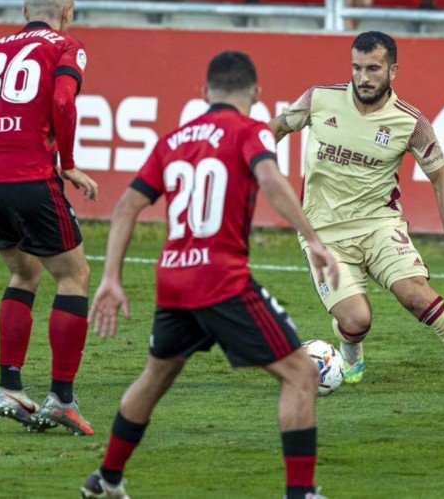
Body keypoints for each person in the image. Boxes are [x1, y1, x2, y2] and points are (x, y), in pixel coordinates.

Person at [80, 51, 339, 499]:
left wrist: (110, 278)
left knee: (155, 377)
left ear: (204, 93)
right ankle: (301, 493)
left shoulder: (173, 140)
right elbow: (269, 178)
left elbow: (125, 207)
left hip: (173, 280)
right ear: (256, 94)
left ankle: (106, 478)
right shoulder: (251, 130)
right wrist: (313, 238)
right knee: (300, 374)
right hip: (221, 280)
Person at [268, 31, 444, 397]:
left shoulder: (411, 123)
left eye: (373, 68)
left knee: (418, 296)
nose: (363, 77)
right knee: (357, 320)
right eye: (357, 67)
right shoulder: (319, 99)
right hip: (323, 236)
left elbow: (442, 181)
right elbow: (275, 128)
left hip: (380, 228)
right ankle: (351, 346)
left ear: (393, 70)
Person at [0, 0, 100, 435]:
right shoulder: (66, 46)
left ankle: (9, 387)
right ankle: (61, 399)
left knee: (24, 271)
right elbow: (63, 101)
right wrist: (68, 164)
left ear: (24, 10)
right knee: (74, 275)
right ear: (68, 11)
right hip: (27, 174)